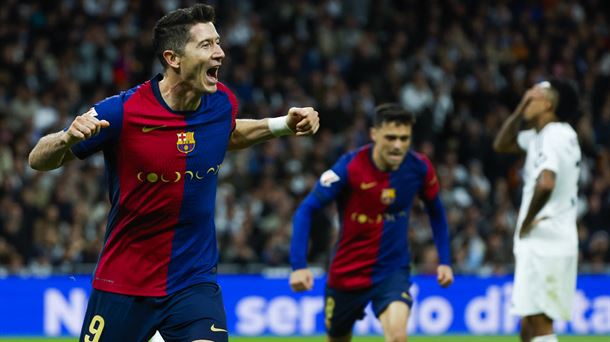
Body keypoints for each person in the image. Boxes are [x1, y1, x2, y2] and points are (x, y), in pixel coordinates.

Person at [28, 4, 319, 342]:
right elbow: (37, 159)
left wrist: (284, 124)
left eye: (218, 42)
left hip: (193, 282)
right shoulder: (123, 111)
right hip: (125, 282)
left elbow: (227, 133)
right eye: (206, 45)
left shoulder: (221, 103)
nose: (221, 53)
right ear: (173, 58)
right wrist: (65, 138)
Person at [289, 103, 453, 342]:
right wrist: (298, 265)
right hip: (346, 273)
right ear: (374, 134)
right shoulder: (350, 167)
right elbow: (306, 209)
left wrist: (445, 260)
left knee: (397, 337)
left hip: (392, 270)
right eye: (391, 137)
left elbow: (436, 211)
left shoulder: (418, 168)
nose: (398, 146)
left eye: (404, 138)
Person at [493, 78, 581, 342]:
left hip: (548, 237)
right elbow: (501, 144)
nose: (526, 99)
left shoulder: (555, 134)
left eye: (532, 98)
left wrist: (526, 221)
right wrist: (520, 109)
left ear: (547, 104)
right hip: (543, 240)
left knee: (541, 322)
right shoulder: (540, 136)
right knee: (529, 322)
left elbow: (546, 182)